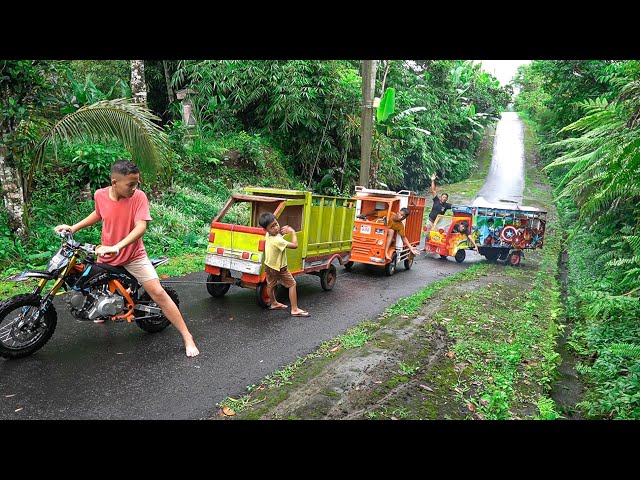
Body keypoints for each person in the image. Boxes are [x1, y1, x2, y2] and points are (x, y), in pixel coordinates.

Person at [54, 160, 200, 358]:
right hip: (106, 253)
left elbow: (141, 227)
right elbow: (99, 213)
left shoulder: (139, 197)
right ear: (114, 182)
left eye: (136, 183)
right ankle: (104, 312)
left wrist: (118, 247)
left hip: (134, 256)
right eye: (130, 184)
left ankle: (187, 336)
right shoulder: (100, 195)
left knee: (158, 293)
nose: (134, 188)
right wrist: (74, 227)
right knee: (95, 283)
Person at [258, 212, 310, 317]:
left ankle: (273, 303)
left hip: (269, 266)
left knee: (270, 284)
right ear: (266, 229)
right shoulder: (277, 240)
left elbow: (277, 234)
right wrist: (293, 232)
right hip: (279, 268)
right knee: (292, 284)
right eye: (272, 227)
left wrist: (281, 232)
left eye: (276, 224)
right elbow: (295, 245)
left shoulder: (268, 234)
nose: (276, 228)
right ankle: (294, 309)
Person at [424, 173, 452, 250]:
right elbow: (433, 190)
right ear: (440, 197)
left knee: (436, 235)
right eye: (443, 197)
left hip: (438, 223)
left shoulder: (446, 205)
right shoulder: (436, 200)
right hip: (430, 220)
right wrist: (432, 180)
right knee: (427, 234)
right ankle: (425, 247)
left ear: (446, 199)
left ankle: (434, 247)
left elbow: (454, 207)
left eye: (445, 197)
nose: (444, 198)